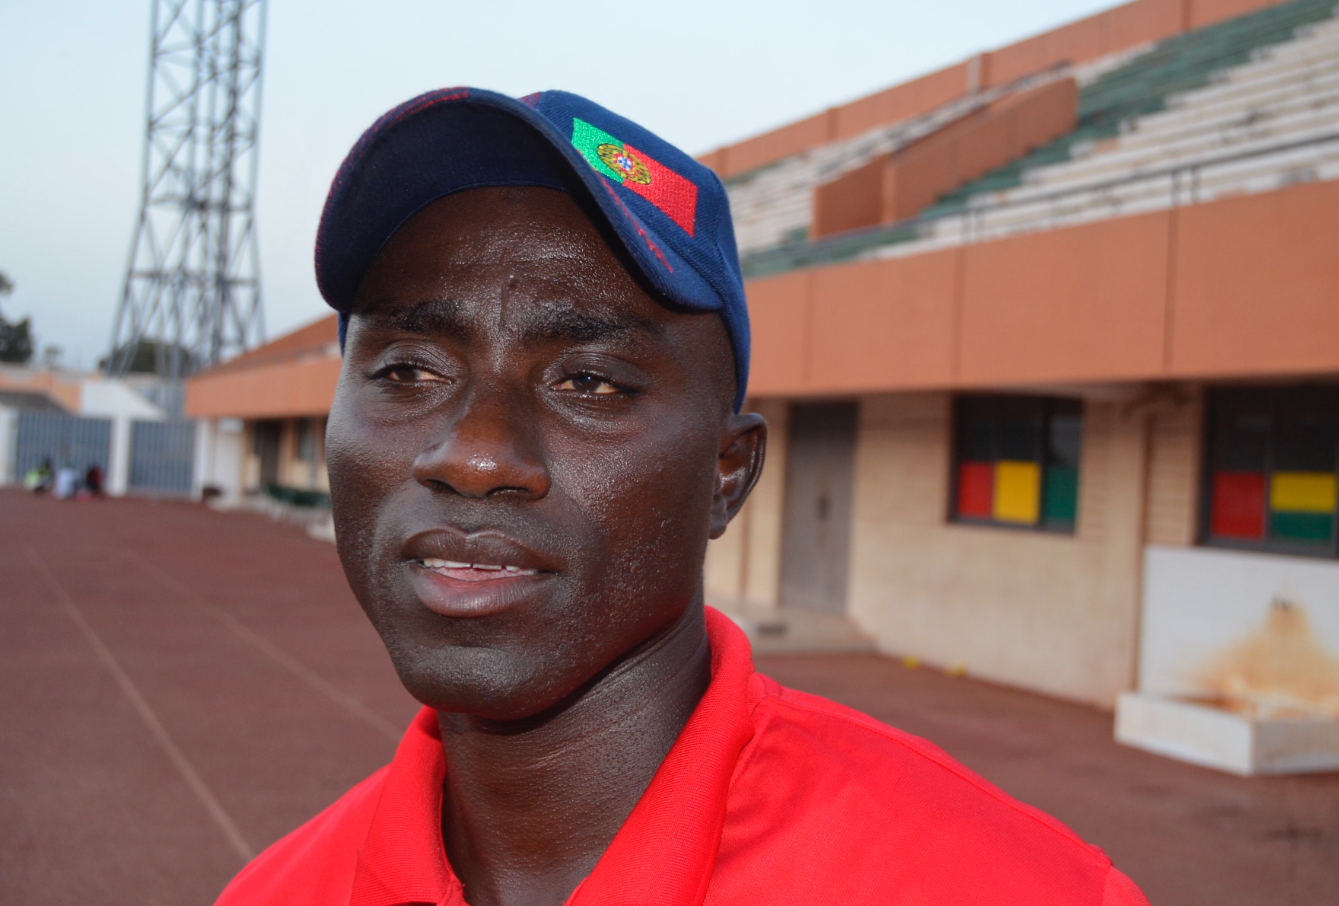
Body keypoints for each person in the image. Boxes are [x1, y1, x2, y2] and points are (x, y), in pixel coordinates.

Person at [216, 88, 1149, 906]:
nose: (473, 453)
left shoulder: (1010, 886)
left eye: (589, 382)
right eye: (408, 369)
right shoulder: (274, 893)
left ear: (725, 474)